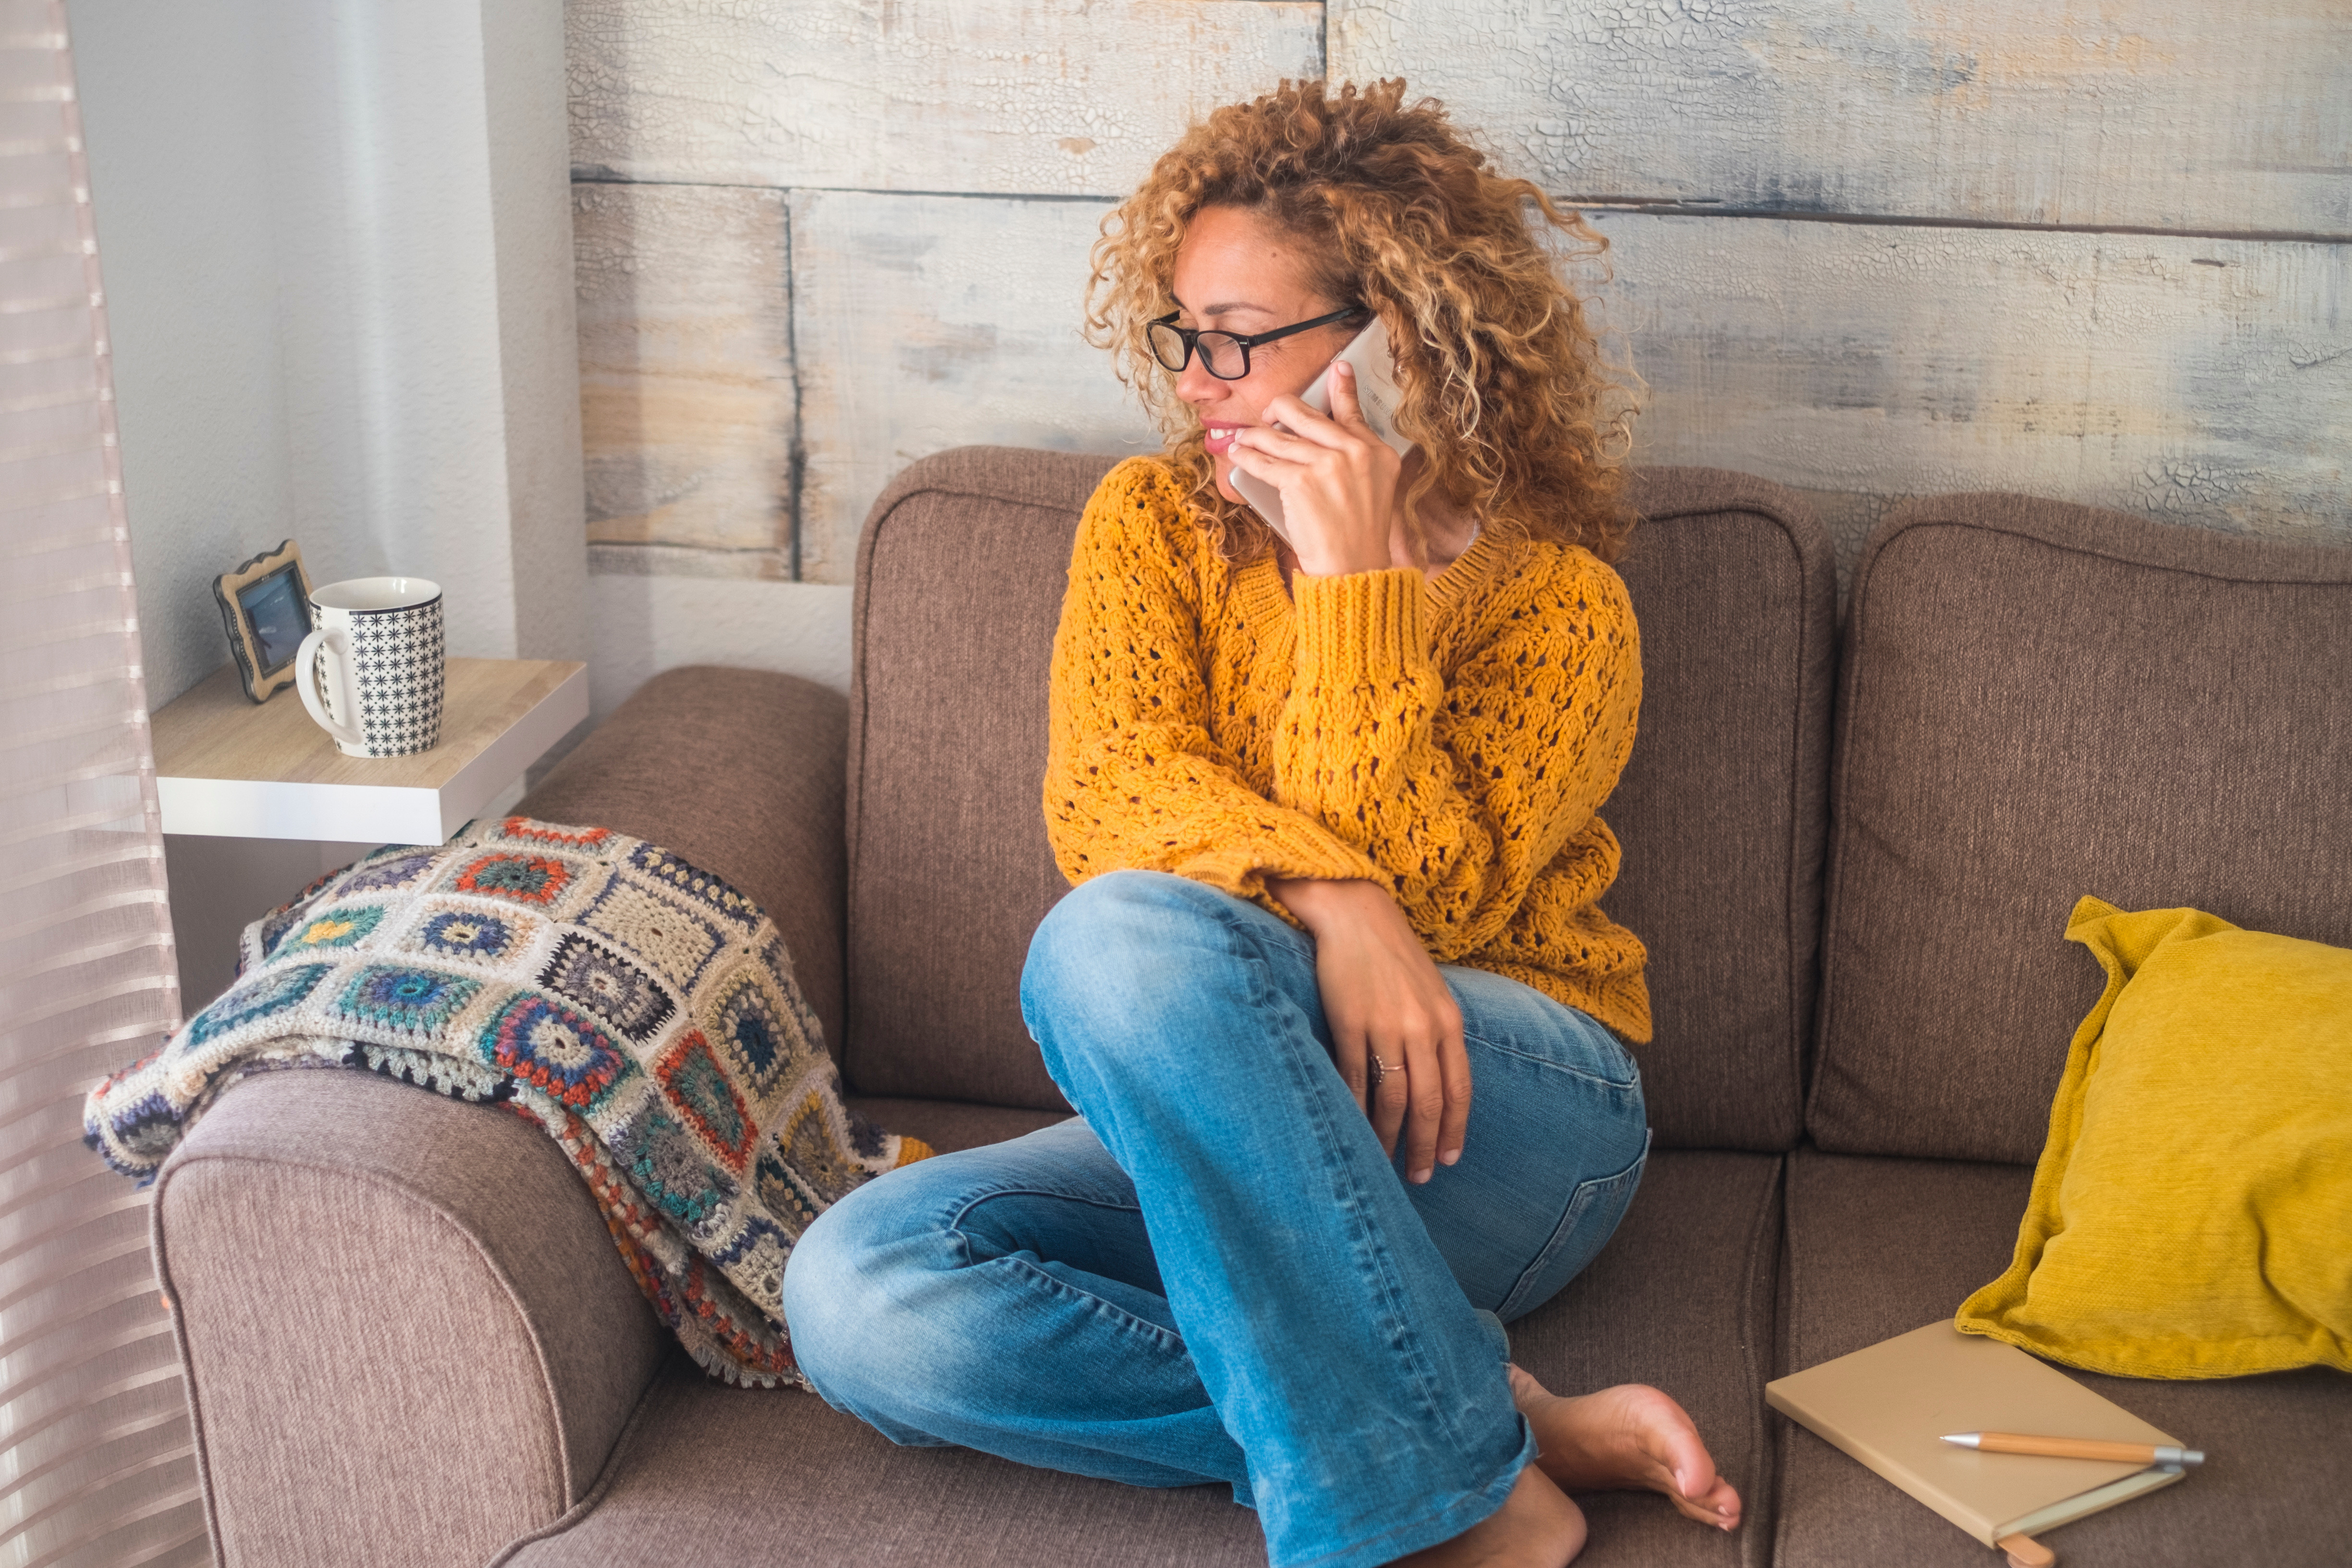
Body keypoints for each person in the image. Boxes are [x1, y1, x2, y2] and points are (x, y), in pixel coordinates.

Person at [782, 79, 1741, 1568]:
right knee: (858, 1289)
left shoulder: (1562, 603)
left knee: (1121, 941)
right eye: (1185, 335)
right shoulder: (1149, 526)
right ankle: (1481, 1433)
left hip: (1506, 1110)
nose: (1197, 384)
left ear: (1399, 338)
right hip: (1242, 1105)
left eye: (1238, 339)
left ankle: (1427, 1505)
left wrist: (1358, 591)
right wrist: (1335, 904)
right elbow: (1107, 796)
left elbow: (1440, 912)